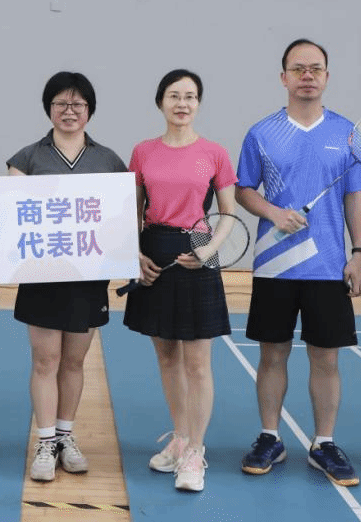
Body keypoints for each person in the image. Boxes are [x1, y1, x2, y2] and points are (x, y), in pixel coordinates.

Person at [235, 38, 361, 487]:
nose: (307, 75)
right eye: (298, 69)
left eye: (315, 68)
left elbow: (355, 198)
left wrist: (359, 253)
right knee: (271, 354)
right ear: (284, 77)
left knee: (326, 359)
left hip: (329, 266)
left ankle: (324, 443)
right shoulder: (262, 133)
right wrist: (274, 212)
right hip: (275, 263)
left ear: (327, 77)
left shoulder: (348, 134)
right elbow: (244, 189)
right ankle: (269, 437)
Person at [6, 72, 128, 483]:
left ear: (89, 110)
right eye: (61, 103)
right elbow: (14, 219)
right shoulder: (26, 159)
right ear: (49, 109)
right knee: (46, 360)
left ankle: (64, 436)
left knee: (74, 361)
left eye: (78, 104)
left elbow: (122, 219)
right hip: (42, 276)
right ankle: (44, 442)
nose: (69, 111)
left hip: (87, 278)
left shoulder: (109, 161)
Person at [122, 69, 237, 493]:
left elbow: (228, 213)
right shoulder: (143, 152)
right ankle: (180, 437)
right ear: (161, 102)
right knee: (167, 356)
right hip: (154, 250)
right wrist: (135, 255)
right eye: (174, 95)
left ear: (198, 104)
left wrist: (208, 250)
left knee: (198, 363)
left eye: (190, 96)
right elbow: (132, 211)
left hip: (198, 250)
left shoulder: (215, 153)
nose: (182, 103)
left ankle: (195, 452)